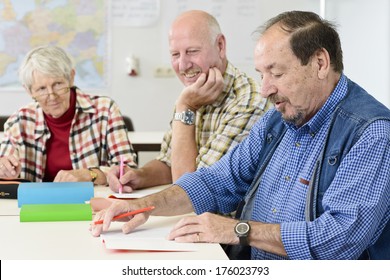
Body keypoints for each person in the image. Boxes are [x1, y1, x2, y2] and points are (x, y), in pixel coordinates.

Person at [91, 11, 390, 260]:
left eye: (276, 72)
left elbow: (339, 238)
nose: (265, 89)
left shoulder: (372, 132)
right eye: (261, 74)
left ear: (320, 63)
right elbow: (216, 181)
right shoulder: (278, 119)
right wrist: (144, 205)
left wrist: (238, 230)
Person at [107, 10, 271, 192]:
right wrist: (139, 176)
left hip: (227, 218)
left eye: (192, 52)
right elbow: (170, 162)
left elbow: (190, 189)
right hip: (193, 215)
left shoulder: (248, 102)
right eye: (175, 55)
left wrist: (185, 107)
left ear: (220, 46)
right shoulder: (194, 93)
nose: (183, 65)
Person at [0, 45, 137, 184]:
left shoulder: (105, 110)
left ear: (71, 77)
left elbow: (128, 170)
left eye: (58, 84)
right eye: (41, 89)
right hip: (36, 203)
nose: (52, 96)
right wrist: (4, 169)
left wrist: (91, 174)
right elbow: (3, 165)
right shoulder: (19, 121)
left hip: (92, 202)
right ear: (29, 91)